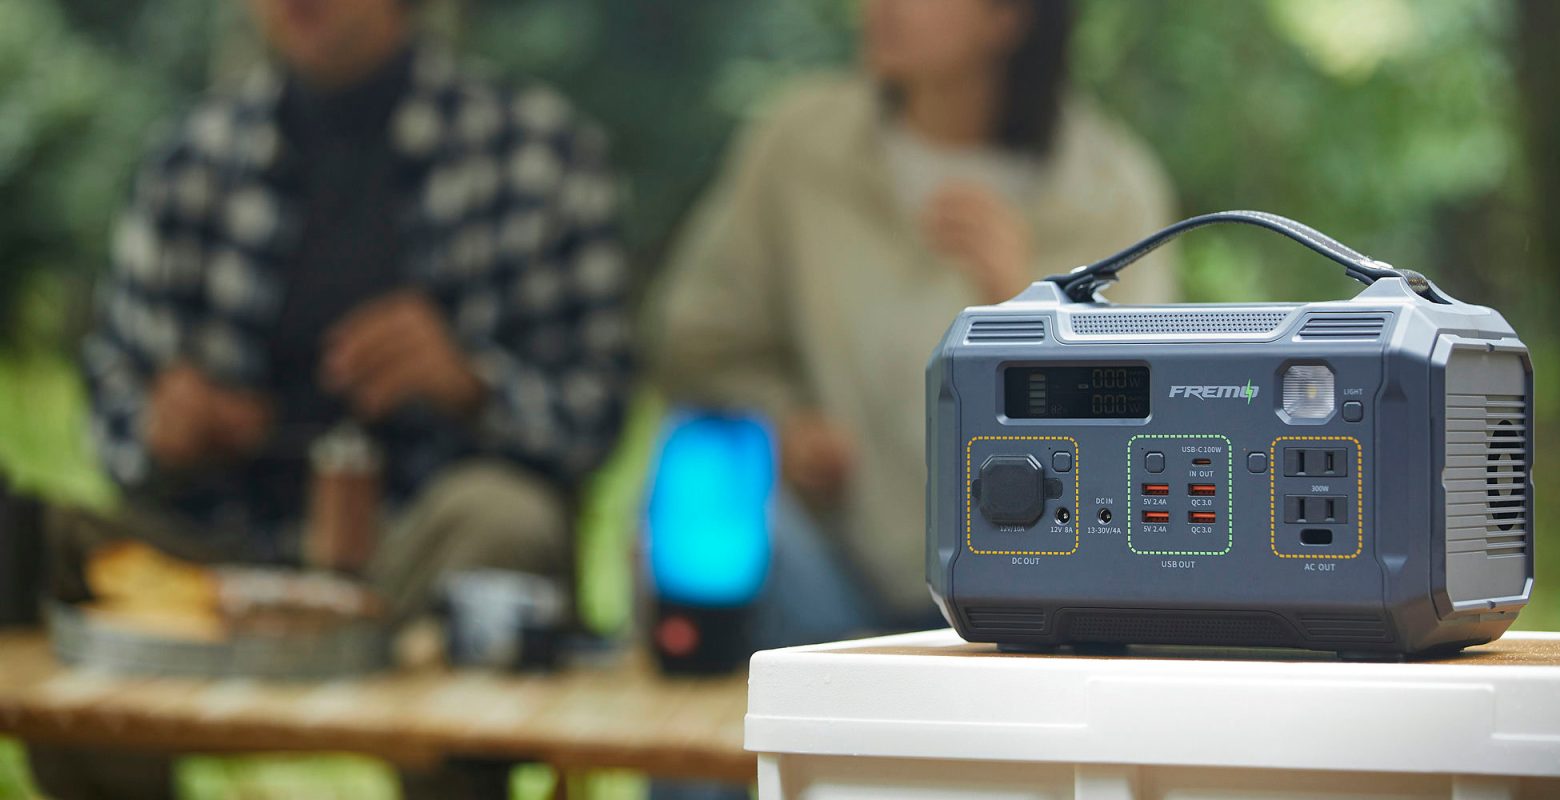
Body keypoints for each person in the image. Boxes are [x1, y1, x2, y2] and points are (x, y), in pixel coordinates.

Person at [32, 0, 630, 796]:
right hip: (222, 563)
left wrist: (470, 384)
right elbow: (115, 402)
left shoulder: (533, 153)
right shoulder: (193, 159)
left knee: (505, 519)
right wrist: (162, 428)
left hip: (417, 560)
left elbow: (598, 412)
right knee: (36, 543)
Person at [652, 0, 1178, 646]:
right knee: (698, 469)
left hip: (1027, 581)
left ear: (1007, 18)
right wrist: (782, 421)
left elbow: (1148, 420)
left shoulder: (1109, 190)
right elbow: (695, 337)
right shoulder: (800, 146)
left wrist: (1026, 304)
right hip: (825, 569)